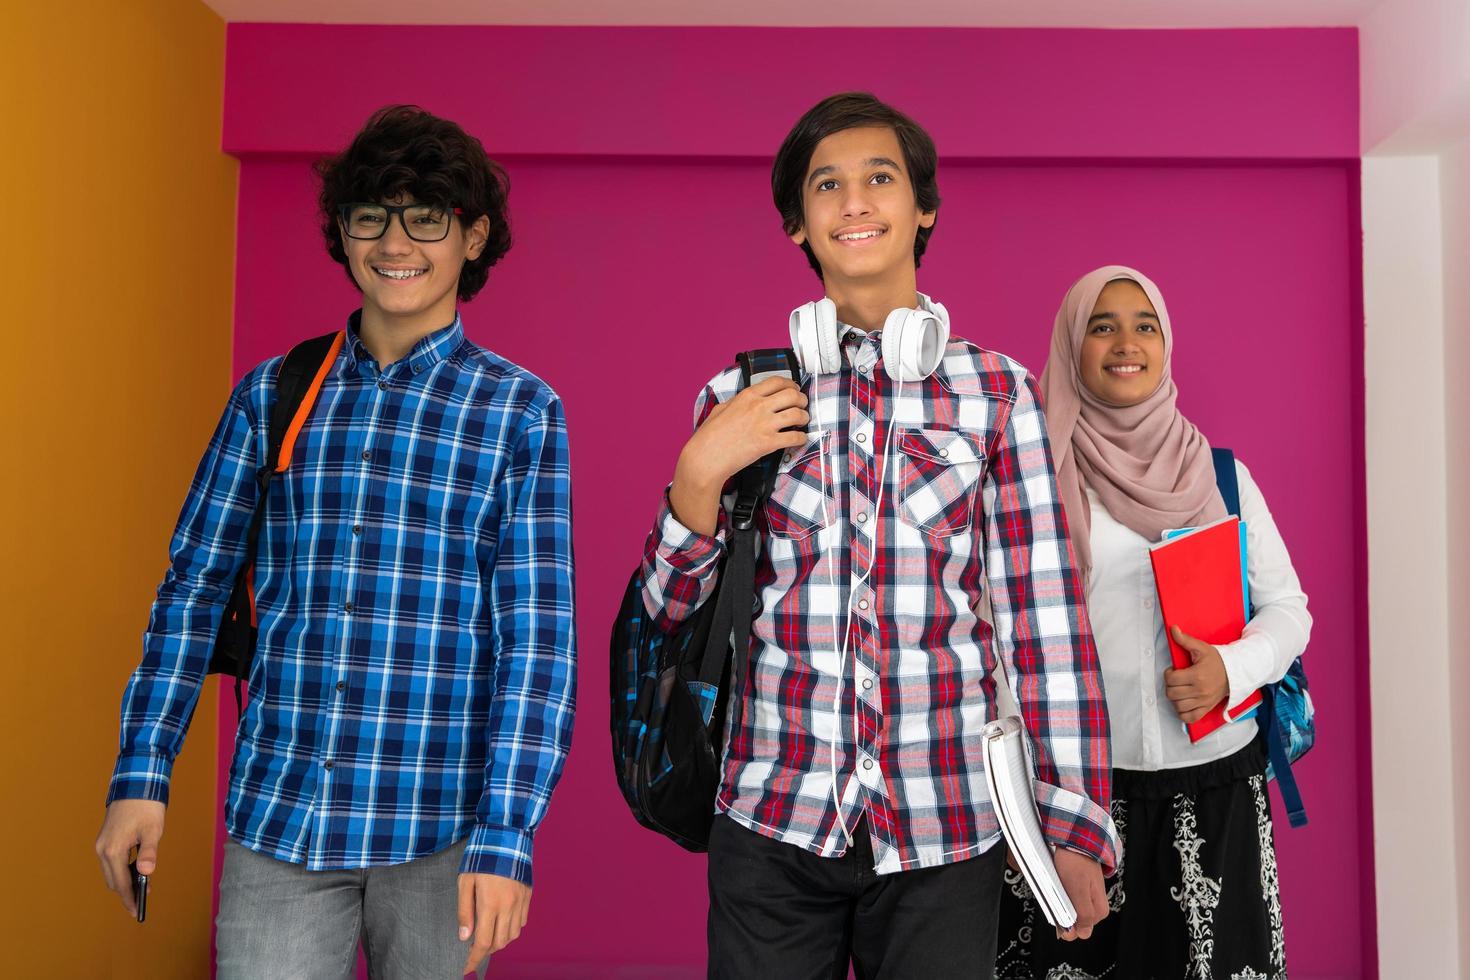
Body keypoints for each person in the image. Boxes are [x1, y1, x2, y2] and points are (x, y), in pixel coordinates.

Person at [637, 92, 1120, 980]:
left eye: (879, 178)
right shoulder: (735, 397)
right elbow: (669, 612)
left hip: (943, 829)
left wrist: (1076, 820)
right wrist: (700, 473)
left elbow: (1043, 623)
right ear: (799, 225)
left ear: (922, 207)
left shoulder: (998, 395)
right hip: (770, 819)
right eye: (827, 185)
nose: (854, 201)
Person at [94, 105, 576, 979]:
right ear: (345, 236)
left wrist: (508, 834)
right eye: (372, 216)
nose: (396, 242)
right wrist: (142, 773)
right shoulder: (271, 394)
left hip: (441, 834)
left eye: (427, 217)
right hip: (281, 820)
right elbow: (193, 590)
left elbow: (537, 642)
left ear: (473, 239)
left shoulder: (520, 412)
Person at [995, 266, 1310, 980]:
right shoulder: (1033, 480)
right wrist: (1020, 788)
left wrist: (1229, 670)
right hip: (1077, 799)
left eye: (1145, 325)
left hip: (1216, 785)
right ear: (1071, 346)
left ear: (1166, 345)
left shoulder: (1221, 474)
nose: (1125, 343)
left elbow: (1290, 610)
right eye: (1101, 326)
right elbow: (996, 637)